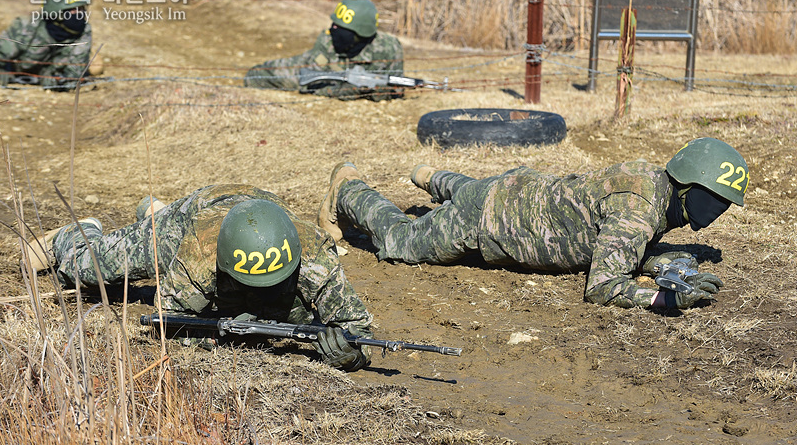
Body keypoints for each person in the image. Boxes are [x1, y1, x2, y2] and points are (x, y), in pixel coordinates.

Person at [318, 137, 749, 311]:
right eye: (716, 199)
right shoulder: (638, 207)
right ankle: (348, 189)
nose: (719, 211)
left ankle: (435, 179)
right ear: (688, 184)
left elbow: (610, 236)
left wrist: (662, 263)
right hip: (489, 221)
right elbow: (602, 286)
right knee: (399, 242)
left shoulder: (651, 178)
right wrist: (665, 301)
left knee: (473, 191)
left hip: (516, 190)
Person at [27, 184, 373, 372]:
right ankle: (77, 233)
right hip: (191, 220)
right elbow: (168, 319)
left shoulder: (312, 253)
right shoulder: (196, 253)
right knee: (88, 270)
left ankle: (153, 210)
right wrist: (216, 336)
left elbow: (357, 326)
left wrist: (352, 354)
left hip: (259, 213)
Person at [244, 0, 404, 101]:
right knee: (256, 76)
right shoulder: (327, 42)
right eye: (335, 26)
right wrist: (350, 91)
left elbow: (396, 90)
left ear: (361, 33)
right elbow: (313, 87)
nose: (334, 30)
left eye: (342, 29)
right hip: (312, 67)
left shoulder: (389, 48)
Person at [0, 0, 92, 91]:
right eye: (73, 10)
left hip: (44, 75)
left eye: (81, 8)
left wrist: (55, 81)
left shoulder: (83, 31)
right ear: (55, 11)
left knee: (95, 67)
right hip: (15, 70)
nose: (79, 14)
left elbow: (74, 76)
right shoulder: (25, 27)